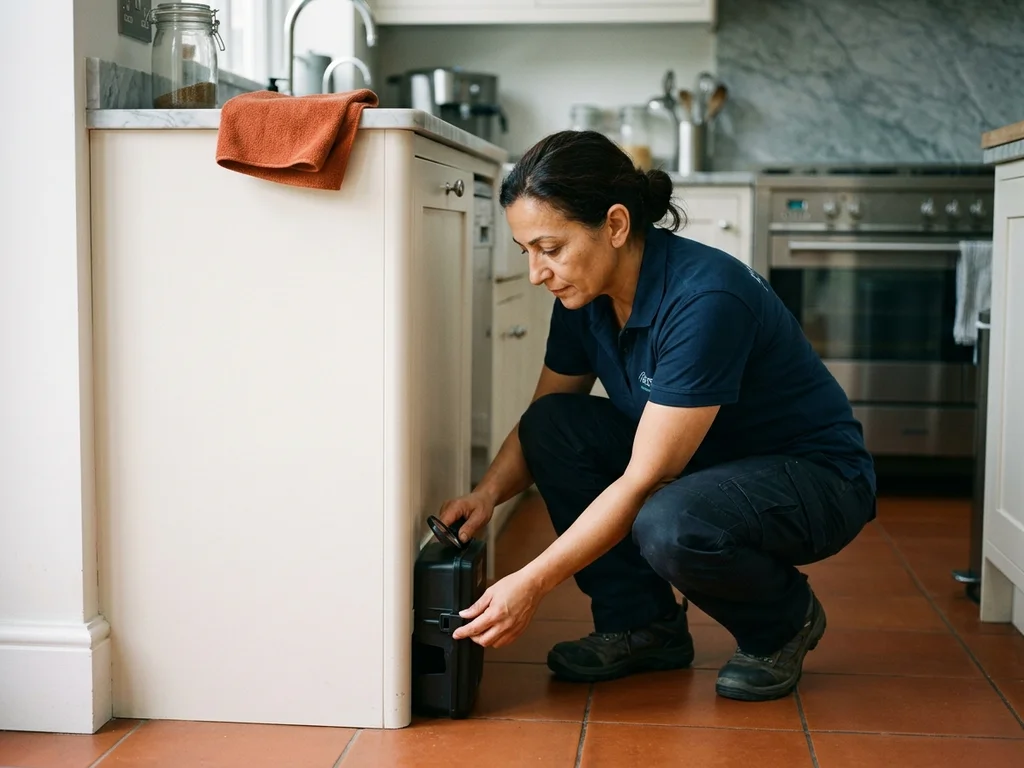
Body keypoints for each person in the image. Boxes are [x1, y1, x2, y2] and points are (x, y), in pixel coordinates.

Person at [435, 130, 877, 702]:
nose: (536, 273)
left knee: (669, 522)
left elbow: (646, 478)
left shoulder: (704, 299)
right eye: (527, 252)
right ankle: (642, 626)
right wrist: (487, 495)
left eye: (550, 248)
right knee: (554, 425)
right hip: (705, 464)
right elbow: (546, 415)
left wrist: (533, 582)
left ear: (616, 226)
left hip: (813, 477)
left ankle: (782, 622)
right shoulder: (583, 292)